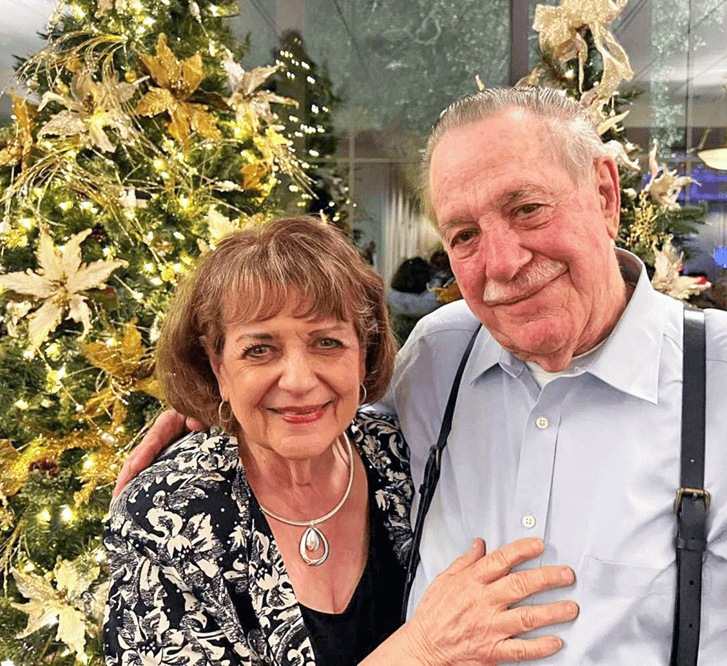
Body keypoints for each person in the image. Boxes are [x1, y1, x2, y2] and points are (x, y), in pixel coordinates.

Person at [115, 87, 727, 663]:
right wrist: (214, 411)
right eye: (464, 235)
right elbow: (304, 414)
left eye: (528, 208)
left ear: (604, 194)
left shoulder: (716, 382)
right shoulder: (443, 353)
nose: (504, 264)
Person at [104, 215, 578, 666]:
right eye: (259, 349)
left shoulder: (397, 452)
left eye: (327, 342)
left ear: (364, 350)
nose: (298, 380)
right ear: (216, 363)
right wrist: (422, 650)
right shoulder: (165, 516)